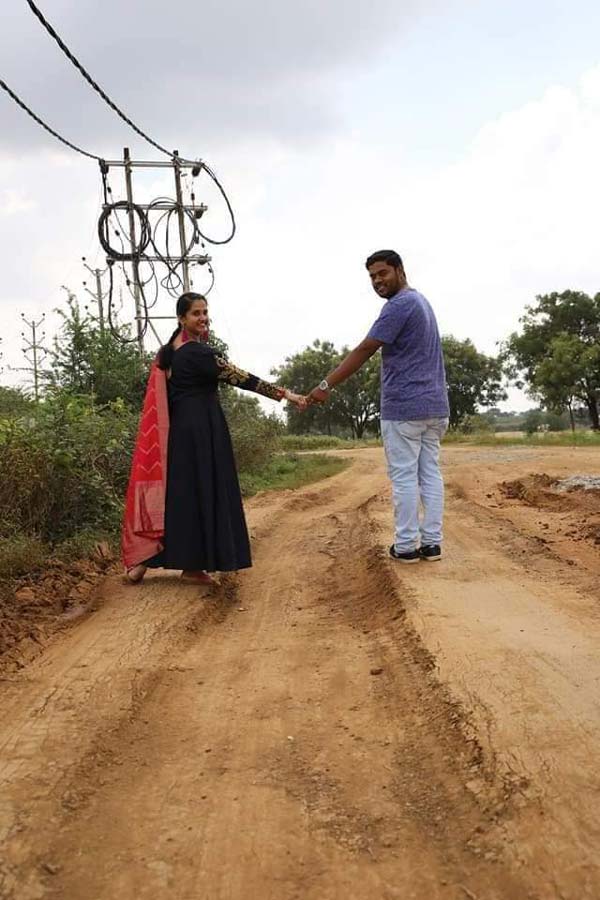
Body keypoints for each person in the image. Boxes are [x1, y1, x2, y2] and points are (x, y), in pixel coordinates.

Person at [122, 292, 305, 584]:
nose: (203, 318)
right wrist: (285, 394)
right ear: (182, 318)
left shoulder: (168, 352)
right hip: (202, 431)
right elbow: (241, 378)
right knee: (201, 492)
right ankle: (192, 568)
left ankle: (144, 560)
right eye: (196, 313)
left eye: (205, 312)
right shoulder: (197, 353)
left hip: (177, 433)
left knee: (179, 495)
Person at [307, 250, 449, 563]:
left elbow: (366, 348)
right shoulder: (421, 301)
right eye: (372, 277)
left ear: (399, 270)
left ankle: (406, 546)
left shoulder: (399, 305)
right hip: (435, 405)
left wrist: (324, 385)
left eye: (382, 273)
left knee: (404, 478)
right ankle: (432, 544)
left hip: (405, 408)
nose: (377, 281)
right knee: (429, 474)